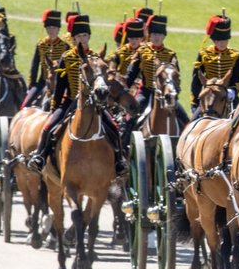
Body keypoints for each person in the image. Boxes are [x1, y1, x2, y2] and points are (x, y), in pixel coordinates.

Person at [27, 13, 128, 176]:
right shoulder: (66, 57)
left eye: (85, 35)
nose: (83, 39)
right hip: (70, 102)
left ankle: (119, 161)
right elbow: (60, 87)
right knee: (48, 128)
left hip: (93, 103)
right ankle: (40, 157)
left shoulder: (96, 58)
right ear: (73, 38)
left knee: (114, 128)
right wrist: (55, 106)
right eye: (79, 36)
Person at [122, 13, 189, 134]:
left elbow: (176, 78)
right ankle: (125, 147)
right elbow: (131, 73)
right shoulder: (142, 51)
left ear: (164, 36)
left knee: (185, 119)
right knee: (130, 118)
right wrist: (125, 88)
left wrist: (174, 92)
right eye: (154, 34)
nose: (156, 37)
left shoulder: (170, 54)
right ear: (149, 35)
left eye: (159, 34)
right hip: (147, 91)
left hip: (166, 93)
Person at [190, 14, 239, 117]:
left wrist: (232, 90)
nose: (222, 43)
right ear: (214, 40)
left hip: (228, 94)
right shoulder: (204, 54)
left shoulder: (235, 56)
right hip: (208, 93)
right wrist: (194, 102)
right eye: (219, 40)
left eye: (224, 40)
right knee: (192, 123)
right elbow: (196, 80)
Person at [20, 9, 71, 109]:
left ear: (58, 29)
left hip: (61, 84)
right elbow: (34, 66)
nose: (51, 30)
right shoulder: (40, 45)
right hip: (43, 81)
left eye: (54, 28)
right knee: (25, 105)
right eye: (49, 28)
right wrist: (32, 84)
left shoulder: (65, 47)